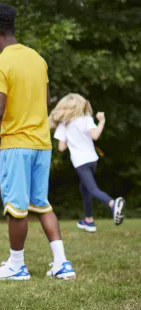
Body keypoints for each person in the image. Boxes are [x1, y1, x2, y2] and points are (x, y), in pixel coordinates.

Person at [0, 3, 75, 280]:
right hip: (42, 143)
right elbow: (44, 101)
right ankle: (62, 263)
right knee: (41, 203)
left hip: (17, 145)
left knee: (17, 208)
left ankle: (17, 265)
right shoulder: (37, 59)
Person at [49, 93, 125, 232]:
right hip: (92, 160)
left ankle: (113, 203)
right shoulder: (86, 119)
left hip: (80, 162)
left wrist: (70, 139)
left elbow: (61, 148)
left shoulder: (64, 124)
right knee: (84, 189)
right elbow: (94, 134)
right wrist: (101, 121)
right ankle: (89, 221)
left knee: (92, 189)